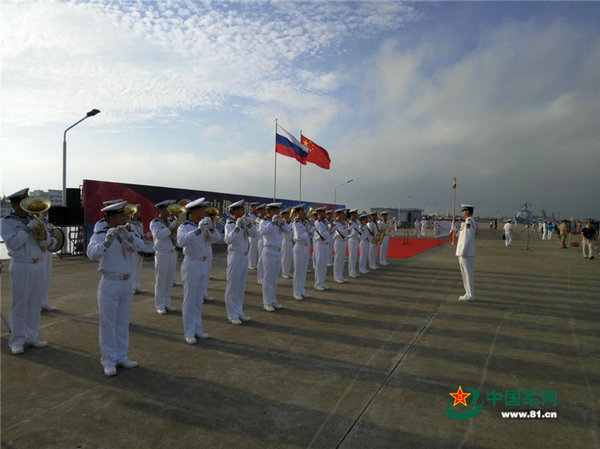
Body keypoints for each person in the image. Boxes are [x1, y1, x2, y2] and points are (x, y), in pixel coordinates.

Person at [87, 200, 145, 376]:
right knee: (108, 324)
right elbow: (91, 254)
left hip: (126, 283)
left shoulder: (129, 230)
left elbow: (143, 247)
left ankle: (122, 356)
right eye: (122, 215)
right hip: (110, 282)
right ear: (111, 217)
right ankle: (109, 360)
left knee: (122, 322)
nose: (125, 217)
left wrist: (129, 237)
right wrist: (107, 242)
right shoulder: (100, 234)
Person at [0, 188, 54, 354]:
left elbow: (48, 244)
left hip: (38, 264)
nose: (27, 206)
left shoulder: (35, 219)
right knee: (20, 305)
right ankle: (17, 340)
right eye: (23, 203)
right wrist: (28, 229)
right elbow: (14, 243)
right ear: (15, 204)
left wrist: (45, 235)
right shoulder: (6, 222)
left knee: (35, 303)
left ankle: (32, 337)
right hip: (21, 265)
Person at [177, 198, 220, 344]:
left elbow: (218, 238)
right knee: (190, 300)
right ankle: (189, 332)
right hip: (191, 264)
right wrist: (198, 230)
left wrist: (211, 228)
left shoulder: (204, 225)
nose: (204, 213)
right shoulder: (184, 227)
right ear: (193, 212)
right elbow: (181, 241)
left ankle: (197, 328)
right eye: (201, 210)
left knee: (198, 299)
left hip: (203, 264)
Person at [223, 200, 256, 324]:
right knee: (233, 287)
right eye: (241, 209)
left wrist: (249, 225)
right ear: (235, 211)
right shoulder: (229, 224)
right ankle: (232, 314)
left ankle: (239, 311)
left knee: (241, 287)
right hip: (235, 256)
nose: (244, 212)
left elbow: (255, 234)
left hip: (244, 256)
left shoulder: (244, 222)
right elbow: (228, 239)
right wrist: (237, 227)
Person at [150, 200, 178, 314]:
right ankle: (160, 304)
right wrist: (171, 227)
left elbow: (173, 236)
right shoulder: (155, 222)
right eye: (167, 208)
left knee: (169, 280)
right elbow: (159, 235)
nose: (170, 211)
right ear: (160, 210)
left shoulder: (170, 221)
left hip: (172, 252)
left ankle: (167, 302)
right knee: (161, 281)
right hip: (162, 254)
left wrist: (175, 233)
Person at [259, 202, 288, 311]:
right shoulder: (264, 222)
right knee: (268, 278)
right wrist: (272, 222)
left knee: (274, 279)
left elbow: (288, 231)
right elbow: (262, 231)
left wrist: (282, 223)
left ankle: (273, 300)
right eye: (276, 211)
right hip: (269, 251)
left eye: (278, 211)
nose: (278, 213)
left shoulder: (278, 222)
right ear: (270, 212)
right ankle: (267, 303)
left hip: (278, 251)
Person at [456, 204, 476, 301]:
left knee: (467, 274)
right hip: (464, 252)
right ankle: (468, 293)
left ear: (467, 211)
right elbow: (461, 235)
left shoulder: (469, 222)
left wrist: (463, 251)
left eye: (464, 211)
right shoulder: (467, 222)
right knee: (465, 274)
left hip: (466, 253)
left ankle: (470, 294)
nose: (463, 213)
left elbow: (466, 238)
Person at [292, 204, 311, 300]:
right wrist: (308, 233)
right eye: (303, 211)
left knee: (303, 271)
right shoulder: (296, 223)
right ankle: (296, 292)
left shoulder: (304, 223)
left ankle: (302, 290)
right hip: (299, 248)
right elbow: (298, 237)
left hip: (305, 248)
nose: (305, 213)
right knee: (298, 271)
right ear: (298, 212)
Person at [40, 210, 58, 312]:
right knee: (38, 279)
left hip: (47, 252)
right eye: (43, 210)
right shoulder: (34, 221)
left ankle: (44, 303)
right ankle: (36, 304)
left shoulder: (47, 222)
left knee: (46, 277)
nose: (46, 212)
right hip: (38, 252)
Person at [313, 207, 331, 291]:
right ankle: (318, 284)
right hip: (320, 245)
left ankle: (322, 282)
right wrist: (330, 231)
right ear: (319, 214)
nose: (325, 214)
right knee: (319, 265)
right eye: (323, 212)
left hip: (325, 245)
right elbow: (323, 235)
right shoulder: (318, 222)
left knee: (324, 265)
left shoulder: (324, 222)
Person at [129, 204, 146, 294]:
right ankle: (131, 287)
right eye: (138, 211)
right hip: (133, 248)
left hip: (140, 247)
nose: (140, 213)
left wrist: (145, 236)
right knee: (133, 268)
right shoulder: (129, 224)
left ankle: (137, 286)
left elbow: (140, 234)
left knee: (139, 268)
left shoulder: (139, 223)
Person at [333, 209, 349, 283]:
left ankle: (340, 275)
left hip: (343, 242)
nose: (344, 215)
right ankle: (336, 277)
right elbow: (341, 233)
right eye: (342, 214)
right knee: (338, 260)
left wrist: (347, 229)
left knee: (342, 260)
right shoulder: (335, 223)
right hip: (338, 242)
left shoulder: (342, 223)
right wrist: (348, 229)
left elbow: (346, 233)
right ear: (338, 215)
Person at [347, 209, 361, 278]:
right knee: (352, 256)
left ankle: (353, 270)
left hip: (356, 240)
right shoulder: (350, 222)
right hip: (352, 240)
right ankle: (351, 272)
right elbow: (349, 232)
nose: (357, 214)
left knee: (354, 256)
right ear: (352, 214)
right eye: (355, 213)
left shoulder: (356, 222)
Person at [280, 208, 293, 279]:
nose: (288, 215)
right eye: (286, 214)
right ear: (283, 215)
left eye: (288, 214)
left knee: (289, 258)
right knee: (284, 258)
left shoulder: (291, 223)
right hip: (285, 241)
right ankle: (284, 272)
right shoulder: (282, 224)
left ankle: (288, 271)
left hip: (290, 242)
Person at [255, 204, 267, 285]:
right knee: (261, 260)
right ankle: (260, 278)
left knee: (266, 260)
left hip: (267, 241)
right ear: (260, 211)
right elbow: (258, 233)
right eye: (264, 209)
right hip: (261, 241)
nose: (265, 211)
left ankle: (265, 277)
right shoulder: (257, 220)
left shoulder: (267, 220)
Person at [247, 202, 260, 270]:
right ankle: (251, 264)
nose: (256, 208)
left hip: (256, 233)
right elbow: (254, 223)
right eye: (255, 206)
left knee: (255, 249)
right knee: (252, 249)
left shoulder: (257, 215)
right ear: (252, 207)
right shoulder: (250, 215)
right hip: (252, 234)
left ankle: (254, 263)